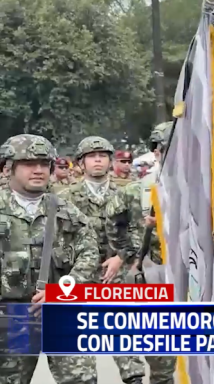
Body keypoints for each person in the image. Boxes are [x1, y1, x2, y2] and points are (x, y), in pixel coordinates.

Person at [0, 134, 100, 384]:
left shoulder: (65, 210)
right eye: (28, 164)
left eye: (44, 164)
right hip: (10, 318)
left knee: (82, 380)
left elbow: (89, 252)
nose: (38, 170)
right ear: (7, 167)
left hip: (60, 311)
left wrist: (63, 292)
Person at [59, 136, 145, 383]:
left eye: (103, 156)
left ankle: (133, 377)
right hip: (79, 276)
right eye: (91, 156)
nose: (97, 160)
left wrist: (121, 256)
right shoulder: (67, 197)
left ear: (110, 162)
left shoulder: (127, 192)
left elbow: (137, 230)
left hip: (116, 274)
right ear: (81, 163)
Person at [116, 122, 177, 384]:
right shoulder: (136, 190)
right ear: (156, 152)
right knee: (161, 347)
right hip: (155, 273)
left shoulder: (204, 190)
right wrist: (128, 256)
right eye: (168, 150)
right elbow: (114, 225)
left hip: (194, 273)